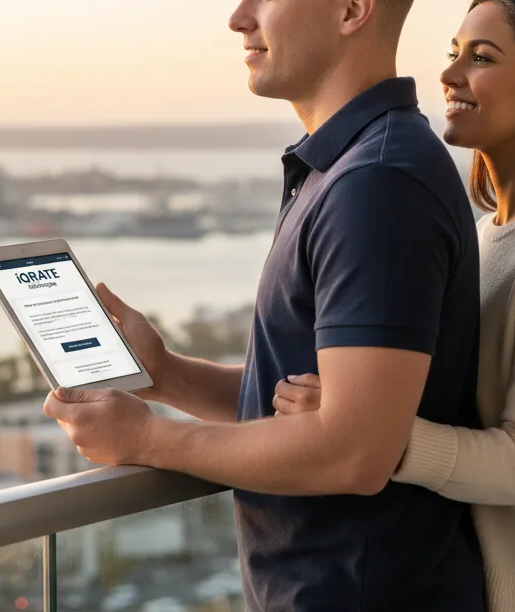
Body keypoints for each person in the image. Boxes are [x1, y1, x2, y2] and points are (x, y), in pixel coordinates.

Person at [44, 1, 487, 610]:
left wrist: (148, 441)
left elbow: (354, 451)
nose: (238, 17)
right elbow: (288, 402)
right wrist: (166, 375)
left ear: (353, 10)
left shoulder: (378, 184)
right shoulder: (345, 167)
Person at [273, 1, 515, 611]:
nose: (450, 75)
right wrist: (167, 375)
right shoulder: (486, 234)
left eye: (481, 58)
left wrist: (373, 440)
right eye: (453, 53)